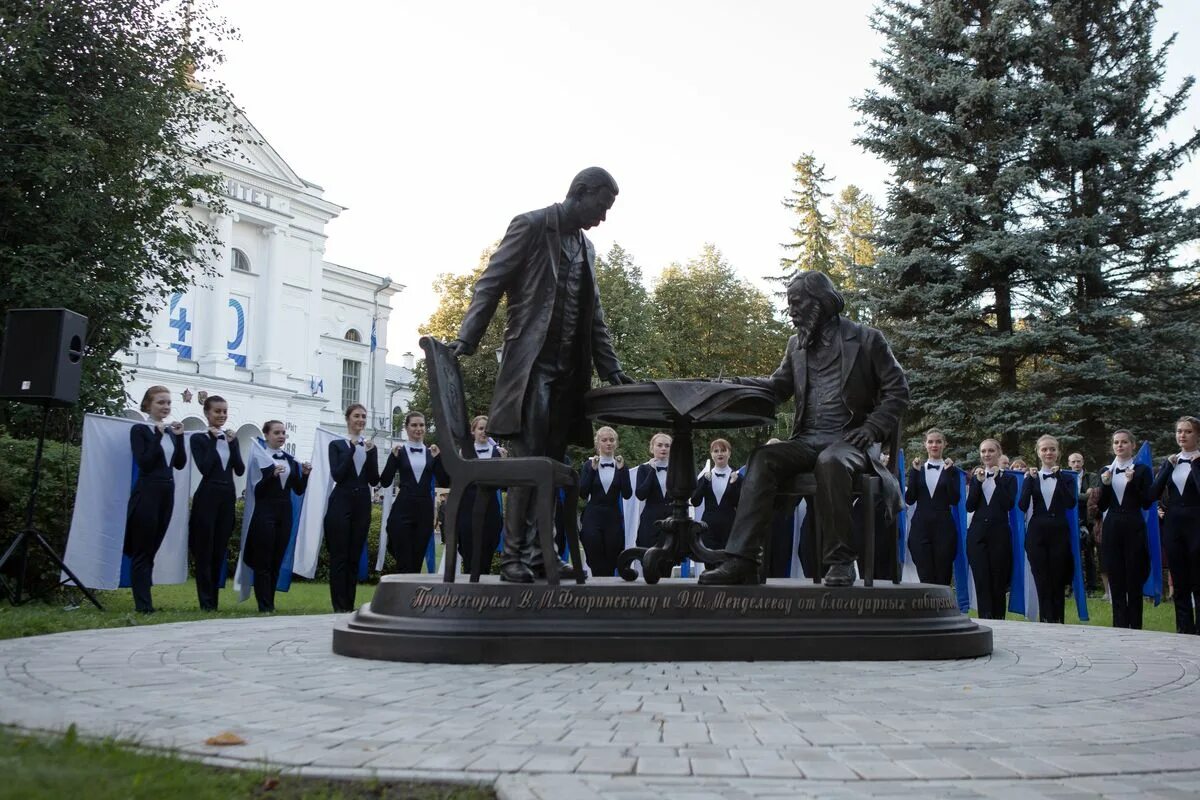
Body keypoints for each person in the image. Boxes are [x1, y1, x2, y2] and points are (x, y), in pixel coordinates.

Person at [450, 168, 631, 583]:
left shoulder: (586, 247)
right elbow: (490, 284)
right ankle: (514, 557)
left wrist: (612, 369)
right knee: (527, 463)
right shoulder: (530, 225)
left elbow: (594, 317)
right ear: (580, 193)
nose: (602, 218)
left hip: (568, 372)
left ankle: (540, 553)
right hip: (530, 366)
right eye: (601, 207)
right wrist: (467, 339)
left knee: (551, 462)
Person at [699, 270, 909, 587]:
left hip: (851, 441)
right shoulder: (796, 345)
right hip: (807, 440)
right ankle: (742, 559)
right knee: (763, 458)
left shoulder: (866, 339)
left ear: (820, 301)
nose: (792, 310)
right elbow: (776, 387)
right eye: (790, 303)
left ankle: (840, 561)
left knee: (831, 461)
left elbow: (898, 390)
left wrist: (872, 427)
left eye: (797, 303)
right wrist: (733, 385)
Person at [124, 385, 187, 613]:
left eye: (168, 403)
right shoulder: (140, 430)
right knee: (142, 550)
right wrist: (157, 435)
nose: (166, 407)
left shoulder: (169, 432)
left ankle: (146, 601)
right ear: (148, 405)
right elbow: (145, 462)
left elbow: (179, 463)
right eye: (161, 402)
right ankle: (143, 605)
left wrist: (178, 439)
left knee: (152, 549)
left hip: (166, 492)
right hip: (147, 491)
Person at [243, 420, 310, 612]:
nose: (281, 436)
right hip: (265, 512)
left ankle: (270, 602)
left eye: (283, 433)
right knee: (263, 560)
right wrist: (270, 475)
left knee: (276, 560)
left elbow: (298, 489)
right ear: (266, 435)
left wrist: (305, 474)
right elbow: (257, 490)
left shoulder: (288, 459)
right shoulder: (260, 457)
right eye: (277, 433)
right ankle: (263, 604)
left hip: (284, 512)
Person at [188, 395, 244, 611]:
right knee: (204, 549)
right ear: (207, 414)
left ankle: (214, 600)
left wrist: (233, 444)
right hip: (207, 495)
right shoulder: (199, 439)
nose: (222, 415)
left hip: (227, 496)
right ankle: (205, 601)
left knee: (219, 549)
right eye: (217, 411)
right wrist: (213, 440)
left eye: (224, 411)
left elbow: (239, 468)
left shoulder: (230, 439)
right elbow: (205, 467)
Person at [324, 404, 379, 613]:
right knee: (340, 555)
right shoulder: (337, 444)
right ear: (348, 419)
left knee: (354, 555)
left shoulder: (368, 446)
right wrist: (351, 448)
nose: (361, 420)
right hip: (341, 500)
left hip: (362, 502)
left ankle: (349, 604)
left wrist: (371, 453)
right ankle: (338, 605)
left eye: (364, 416)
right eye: (357, 416)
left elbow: (374, 479)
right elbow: (337, 474)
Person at [1098, 430, 1153, 629]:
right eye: (1116, 442)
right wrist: (1104, 484)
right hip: (1112, 524)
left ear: (1132, 446)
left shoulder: (1142, 470)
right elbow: (1101, 506)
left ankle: (1136, 625)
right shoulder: (1106, 470)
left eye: (1124, 442)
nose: (1119, 446)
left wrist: (1134, 483)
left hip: (1133, 524)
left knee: (1134, 575)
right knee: (1116, 574)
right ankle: (1119, 625)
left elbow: (1147, 502)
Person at [1151, 416, 1200, 633]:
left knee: (1198, 578)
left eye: (1188, 431)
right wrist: (1167, 467)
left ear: (1197, 435)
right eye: (1179, 431)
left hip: (1197, 523)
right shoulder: (1171, 461)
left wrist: (1196, 463)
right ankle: (1184, 628)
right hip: (1174, 524)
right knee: (1179, 578)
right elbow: (1152, 493)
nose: (1182, 435)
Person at [1018, 435, 1075, 623]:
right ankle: (1045, 622)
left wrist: (1058, 477)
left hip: (1059, 532)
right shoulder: (1032, 477)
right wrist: (1028, 481)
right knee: (1042, 579)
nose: (1048, 452)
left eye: (1052, 449)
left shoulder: (1066, 477)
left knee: (1058, 579)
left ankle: (1059, 621)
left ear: (1058, 452)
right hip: (1037, 533)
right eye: (1044, 449)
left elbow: (1070, 502)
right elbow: (1022, 505)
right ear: (1038, 452)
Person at [380, 412, 446, 573]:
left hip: (424, 511)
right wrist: (392, 458)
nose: (418, 429)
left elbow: (445, 482)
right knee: (403, 560)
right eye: (414, 425)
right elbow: (385, 481)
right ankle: (399, 596)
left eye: (422, 425)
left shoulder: (432, 453)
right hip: (403, 508)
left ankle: (413, 597)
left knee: (416, 561)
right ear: (406, 428)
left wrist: (439, 459)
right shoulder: (400, 452)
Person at [966, 438, 1015, 619]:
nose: (987, 455)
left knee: (998, 581)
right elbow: (969, 506)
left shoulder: (1008, 479)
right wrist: (978, 483)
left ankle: (999, 621)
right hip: (977, 535)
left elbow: (1008, 504)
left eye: (991, 451)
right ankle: (985, 620)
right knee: (981, 579)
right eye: (983, 451)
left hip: (999, 535)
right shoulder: (976, 477)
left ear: (999, 452)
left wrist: (997, 480)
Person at [905, 428, 961, 586]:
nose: (934, 445)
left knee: (943, 573)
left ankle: (943, 609)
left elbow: (954, 499)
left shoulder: (952, 471)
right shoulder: (918, 469)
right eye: (930, 442)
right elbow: (910, 499)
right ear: (925, 445)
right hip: (920, 527)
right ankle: (926, 609)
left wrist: (949, 473)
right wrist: (914, 473)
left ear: (945, 444)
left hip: (944, 527)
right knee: (924, 573)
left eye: (938, 441)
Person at [578, 426, 631, 578]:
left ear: (616, 443)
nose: (608, 443)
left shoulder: (621, 466)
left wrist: (621, 471)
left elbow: (627, 494)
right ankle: (596, 589)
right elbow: (583, 493)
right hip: (593, 515)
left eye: (612, 440)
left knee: (612, 555)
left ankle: (608, 593)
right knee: (594, 553)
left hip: (613, 516)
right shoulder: (589, 465)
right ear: (598, 444)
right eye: (604, 440)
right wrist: (593, 470)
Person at [455, 415, 505, 575]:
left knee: (487, 554)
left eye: (487, 429)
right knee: (468, 553)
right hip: (468, 510)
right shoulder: (465, 453)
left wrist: (505, 463)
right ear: (473, 431)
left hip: (491, 511)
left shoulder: (498, 453)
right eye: (481, 428)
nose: (484, 432)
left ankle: (483, 595)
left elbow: (504, 485)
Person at [691, 438, 741, 569]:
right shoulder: (705, 477)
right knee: (710, 563)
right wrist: (704, 483)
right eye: (716, 451)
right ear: (711, 454)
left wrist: (734, 484)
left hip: (729, 525)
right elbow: (695, 501)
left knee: (727, 562)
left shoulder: (737, 477)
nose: (720, 454)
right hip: (709, 526)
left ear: (729, 453)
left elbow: (740, 504)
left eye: (723, 450)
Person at [1069, 451, 1103, 594]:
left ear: (1083, 462)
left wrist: (1079, 497)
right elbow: (1069, 497)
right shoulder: (1067, 477)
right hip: (1071, 518)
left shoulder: (1092, 477)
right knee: (1071, 553)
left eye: (1079, 461)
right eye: (1073, 462)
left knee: (1089, 553)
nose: (1076, 464)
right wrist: (1083, 495)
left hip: (1088, 518)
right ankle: (1072, 585)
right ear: (1069, 464)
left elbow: (1093, 497)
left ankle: (1091, 586)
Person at [634, 433, 673, 548]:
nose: (663, 448)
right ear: (652, 448)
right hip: (650, 520)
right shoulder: (644, 469)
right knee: (648, 559)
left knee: (668, 560)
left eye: (667, 445)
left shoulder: (675, 470)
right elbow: (641, 494)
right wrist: (652, 471)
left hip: (670, 521)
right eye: (659, 445)